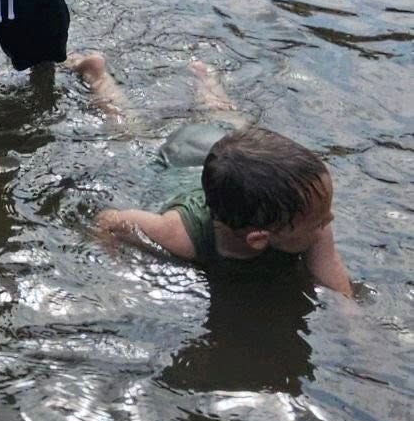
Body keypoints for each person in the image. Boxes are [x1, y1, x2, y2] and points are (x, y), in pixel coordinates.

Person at [84, 58, 350, 297]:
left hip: (225, 148)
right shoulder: (178, 233)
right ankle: (98, 75)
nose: (329, 220)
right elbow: (109, 220)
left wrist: (354, 324)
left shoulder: (309, 214)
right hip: (179, 158)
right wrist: (117, 271)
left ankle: (205, 79)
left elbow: (335, 281)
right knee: (128, 132)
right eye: (318, 222)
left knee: (223, 117)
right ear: (258, 239)